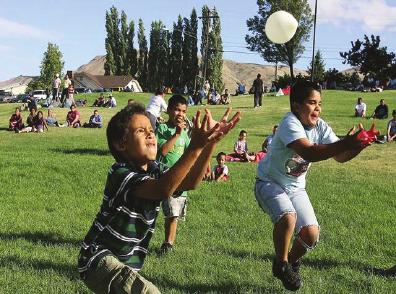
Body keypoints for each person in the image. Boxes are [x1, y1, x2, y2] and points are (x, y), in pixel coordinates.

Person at [77, 103, 240, 294]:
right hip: (98, 259)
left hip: (126, 263)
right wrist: (195, 146)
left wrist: (209, 143)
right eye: (140, 131)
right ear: (121, 144)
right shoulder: (120, 172)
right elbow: (163, 189)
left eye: (151, 130)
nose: (150, 134)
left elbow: (189, 183)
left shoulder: (155, 169)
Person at [254, 81, 370, 291]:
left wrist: (357, 146)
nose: (318, 108)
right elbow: (309, 152)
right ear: (297, 106)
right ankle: (281, 264)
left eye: (319, 103)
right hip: (269, 183)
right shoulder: (290, 123)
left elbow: (341, 157)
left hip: (295, 188)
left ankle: (289, 262)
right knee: (288, 216)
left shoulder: (321, 126)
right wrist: (346, 142)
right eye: (312, 102)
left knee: (311, 234)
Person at [155, 95, 191, 254]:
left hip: (179, 180)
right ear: (169, 110)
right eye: (177, 109)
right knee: (151, 210)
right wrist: (176, 134)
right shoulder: (162, 129)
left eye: (183, 111)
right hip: (162, 177)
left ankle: (168, 243)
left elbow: (190, 153)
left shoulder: (185, 133)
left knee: (173, 213)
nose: (180, 114)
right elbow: (162, 151)